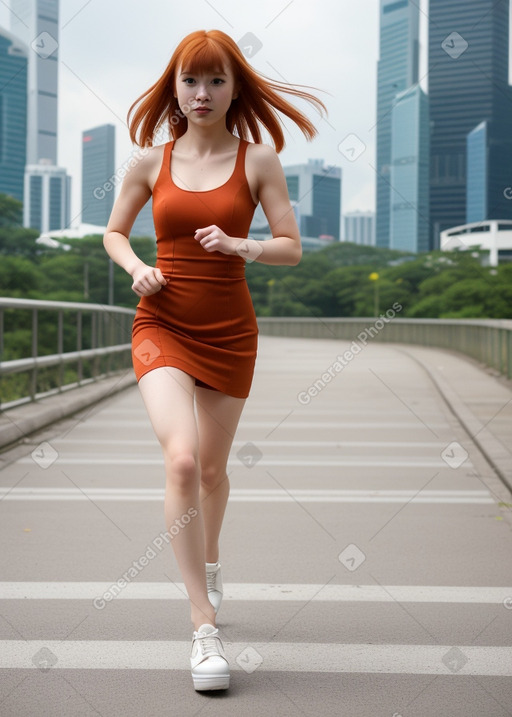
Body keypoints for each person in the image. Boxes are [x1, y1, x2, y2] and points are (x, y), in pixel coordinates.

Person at [103, 28, 325, 692]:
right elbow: (113, 231)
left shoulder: (258, 161)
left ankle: (211, 556)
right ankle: (204, 625)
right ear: (174, 88)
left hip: (230, 330)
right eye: (191, 81)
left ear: (235, 88)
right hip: (162, 324)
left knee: (212, 471)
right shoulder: (149, 161)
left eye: (216, 81)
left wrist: (242, 245)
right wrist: (138, 265)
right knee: (181, 458)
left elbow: (291, 246)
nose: (203, 93)